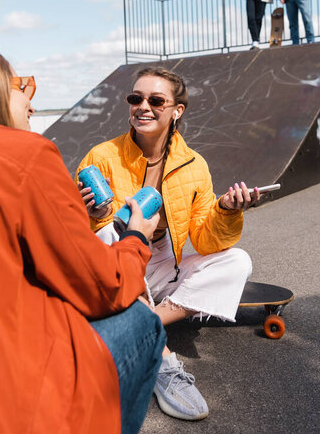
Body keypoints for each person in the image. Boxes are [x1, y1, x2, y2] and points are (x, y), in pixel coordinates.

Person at [0, 42, 166, 434]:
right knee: (142, 320)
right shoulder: (24, 152)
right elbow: (105, 285)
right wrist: (136, 238)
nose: (31, 104)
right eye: (22, 88)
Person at [76, 66, 260, 422]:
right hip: (114, 261)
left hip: (160, 266)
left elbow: (205, 241)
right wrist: (91, 211)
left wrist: (225, 210)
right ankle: (161, 360)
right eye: (136, 98)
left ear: (177, 110)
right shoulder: (101, 156)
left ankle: (147, 323)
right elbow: (78, 232)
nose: (143, 107)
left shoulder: (194, 165)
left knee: (237, 261)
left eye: (156, 100)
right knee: (113, 229)